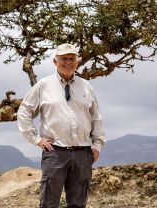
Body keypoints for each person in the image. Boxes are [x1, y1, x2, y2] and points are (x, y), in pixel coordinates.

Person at [17, 43, 106, 208]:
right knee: (49, 204)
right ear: (55, 61)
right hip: (55, 152)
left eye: (72, 58)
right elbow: (24, 111)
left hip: (83, 153)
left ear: (77, 61)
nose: (68, 62)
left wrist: (97, 145)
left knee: (78, 204)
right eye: (64, 59)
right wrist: (36, 139)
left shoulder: (86, 86)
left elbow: (96, 117)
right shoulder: (43, 85)